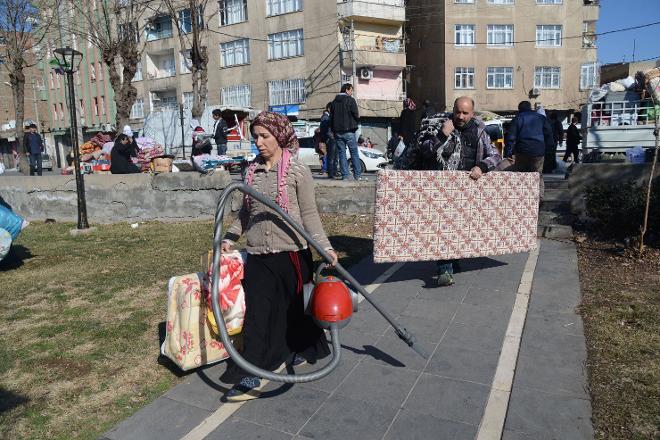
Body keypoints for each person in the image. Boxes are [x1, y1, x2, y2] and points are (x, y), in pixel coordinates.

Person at [221, 111, 339, 401]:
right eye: (255, 137)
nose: (259, 142)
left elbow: (310, 215)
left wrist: (325, 247)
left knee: (294, 312)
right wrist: (229, 237)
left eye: (265, 136)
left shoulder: (298, 171)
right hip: (259, 255)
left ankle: (301, 347)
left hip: (292, 256)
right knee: (258, 316)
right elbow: (246, 214)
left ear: (280, 136)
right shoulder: (250, 172)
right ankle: (253, 372)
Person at [397, 96, 502, 286]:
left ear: (472, 113)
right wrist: (442, 135)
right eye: (457, 112)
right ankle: (445, 268)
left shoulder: (480, 131)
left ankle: (453, 260)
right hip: (443, 190)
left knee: (459, 226)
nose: (460, 116)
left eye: (465, 113)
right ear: (452, 110)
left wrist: (482, 167)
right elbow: (425, 151)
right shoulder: (439, 125)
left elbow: (495, 156)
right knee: (443, 226)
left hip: (468, 188)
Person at [504, 101, 554, 199]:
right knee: (538, 174)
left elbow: (511, 137)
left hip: (522, 151)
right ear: (530, 107)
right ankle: (539, 199)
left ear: (519, 109)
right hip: (538, 152)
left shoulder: (517, 118)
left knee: (521, 174)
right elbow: (549, 135)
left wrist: (508, 152)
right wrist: (549, 150)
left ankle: (522, 198)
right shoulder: (541, 118)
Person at [330, 83, 364, 180]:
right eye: (351, 90)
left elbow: (331, 118)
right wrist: (356, 122)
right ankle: (357, 175)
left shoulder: (333, 103)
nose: (351, 92)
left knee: (341, 153)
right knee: (354, 152)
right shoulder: (350, 100)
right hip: (349, 131)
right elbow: (355, 114)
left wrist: (333, 130)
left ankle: (345, 176)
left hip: (338, 132)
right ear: (346, 90)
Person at [319, 103, 337, 178]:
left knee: (332, 156)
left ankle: (332, 172)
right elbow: (326, 129)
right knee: (331, 156)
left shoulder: (326, 116)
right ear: (329, 108)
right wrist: (331, 137)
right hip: (329, 139)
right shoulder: (325, 117)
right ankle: (331, 172)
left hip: (329, 138)